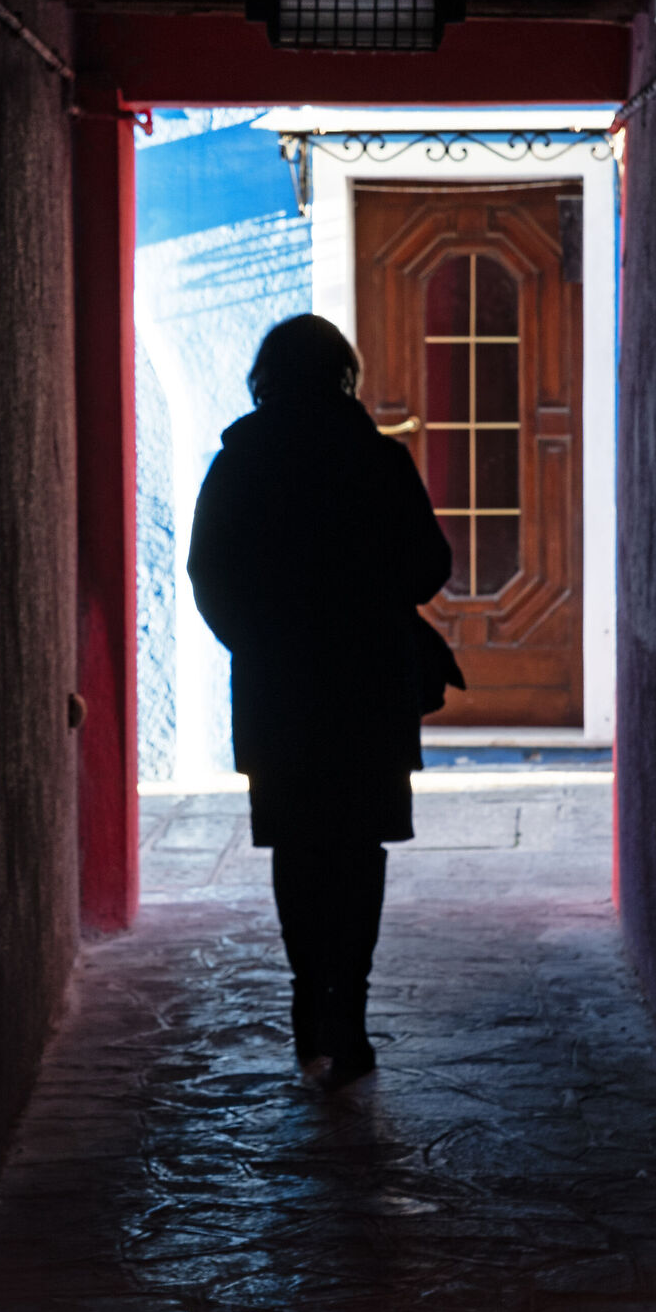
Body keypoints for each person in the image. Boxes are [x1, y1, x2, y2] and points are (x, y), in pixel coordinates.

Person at [188, 314, 460, 1091]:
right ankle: (352, 1020)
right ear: (345, 374)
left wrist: (259, 640)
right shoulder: (378, 461)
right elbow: (427, 566)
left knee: (299, 851)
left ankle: (309, 1010)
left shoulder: (239, 463)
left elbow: (209, 573)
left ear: (265, 376)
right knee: (357, 851)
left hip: (278, 691)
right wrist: (367, 606)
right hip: (368, 687)